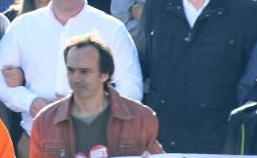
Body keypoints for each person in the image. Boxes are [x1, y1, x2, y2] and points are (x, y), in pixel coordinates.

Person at [0, 0, 143, 148]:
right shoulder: (23, 26)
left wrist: (90, 107)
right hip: (37, 139)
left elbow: (132, 87)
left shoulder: (112, 28)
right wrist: (30, 102)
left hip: (96, 141)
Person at [137, 0, 257, 153]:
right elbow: (142, 65)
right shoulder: (157, 2)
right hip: (161, 138)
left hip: (218, 141)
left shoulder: (244, 10)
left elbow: (254, 78)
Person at [30, 34, 163, 158]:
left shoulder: (141, 118)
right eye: (71, 70)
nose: (75, 78)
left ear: (104, 74)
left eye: (84, 72)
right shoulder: (44, 121)